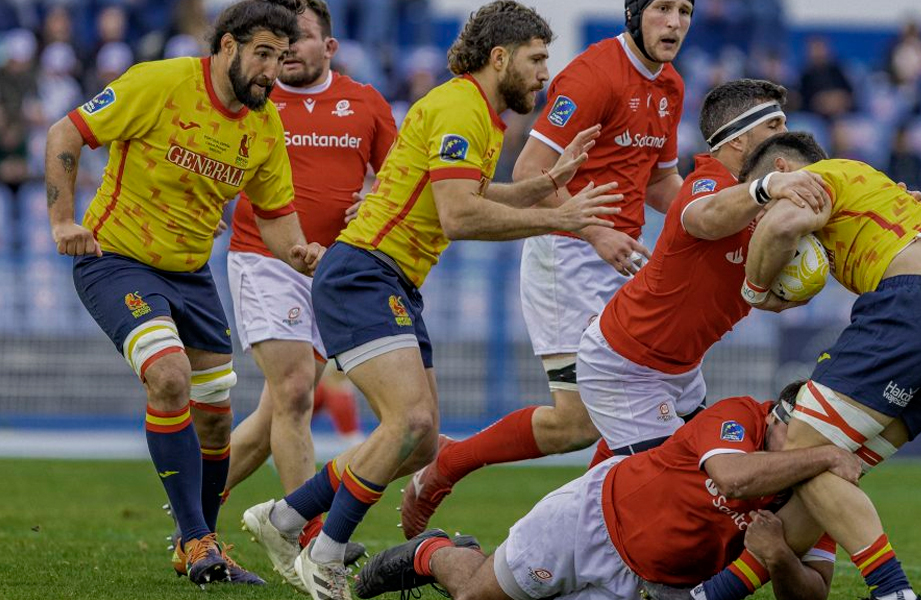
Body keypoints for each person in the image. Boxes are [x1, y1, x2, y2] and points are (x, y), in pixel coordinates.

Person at [242, 3, 623, 599]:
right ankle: (326, 552)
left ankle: (285, 518)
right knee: (411, 422)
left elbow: (471, 190)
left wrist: (546, 185)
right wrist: (563, 218)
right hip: (363, 272)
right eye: (537, 59)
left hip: (389, 279)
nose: (546, 73)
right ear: (500, 57)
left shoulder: (480, 114)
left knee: (419, 441)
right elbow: (460, 213)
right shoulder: (458, 107)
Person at [45, 0, 324, 586]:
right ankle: (199, 543)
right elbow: (65, 130)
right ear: (227, 47)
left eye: (281, 57)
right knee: (168, 376)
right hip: (116, 260)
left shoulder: (264, 125)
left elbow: (274, 214)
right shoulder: (161, 82)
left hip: (192, 275)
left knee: (217, 421)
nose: (272, 70)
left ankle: (195, 542)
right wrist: (63, 221)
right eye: (263, 55)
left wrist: (298, 249)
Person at [400, 0, 694, 540]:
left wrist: (718, 211)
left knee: (659, 401)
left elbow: (659, 184)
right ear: (634, 14)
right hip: (569, 254)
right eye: (661, 9)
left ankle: (598, 535)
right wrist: (593, 229)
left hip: (622, 257)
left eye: (684, 10)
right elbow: (531, 171)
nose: (674, 22)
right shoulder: (593, 75)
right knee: (577, 422)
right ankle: (445, 468)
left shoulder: (671, 85)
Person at [735, 131, 921, 600]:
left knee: (799, 451)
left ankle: (892, 590)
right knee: (818, 474)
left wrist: (755, 290)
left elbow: (779, 228)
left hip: (913, 306)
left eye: (761, 196)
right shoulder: (870, 192)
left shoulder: (815, 178)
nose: (760, 212)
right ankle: (716, 591)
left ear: (782, 171)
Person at [352, 381, 858, 600]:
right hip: (592, 520)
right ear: (777, 416)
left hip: (657, 585)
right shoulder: (741, 414)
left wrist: (779, 559)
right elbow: (732, 477)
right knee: (473, 594)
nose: (808, 448)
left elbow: (813, 592)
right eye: (803, 433)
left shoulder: (812, 492)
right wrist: (827, 455)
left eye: (822, 439)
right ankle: (433, 552)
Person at [221, 0, 395, 566]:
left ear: (331, 47)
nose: (289, 48)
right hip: (264, 259)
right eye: (279, 40)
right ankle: (308, 537)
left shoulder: (366, 102)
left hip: (331, 272)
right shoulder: (253, 100)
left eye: (301, 37)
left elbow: (401, 181)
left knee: (277, 410)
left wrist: (373, 202)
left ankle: (195, 512)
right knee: (297, 391)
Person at [576, 79, 827, 462]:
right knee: (670, 480)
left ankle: (580, 514)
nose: (785, 135)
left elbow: (768, 299)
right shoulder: (708, 182)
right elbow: (706, 218)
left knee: (634, 475)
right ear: (737, 140)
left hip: (680, 368)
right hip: (628, 363)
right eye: (774, 126)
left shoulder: (770, 206)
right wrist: (767, 185)